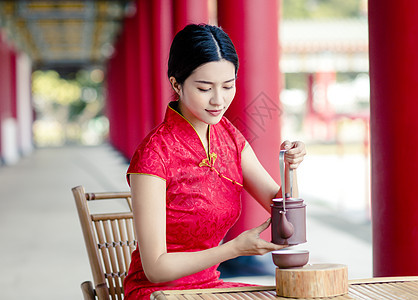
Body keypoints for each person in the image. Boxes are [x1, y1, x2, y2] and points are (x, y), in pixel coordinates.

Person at [124, 23, 306, 299]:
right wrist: (233, 249)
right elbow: (156, 269)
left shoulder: (230, 138)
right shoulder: (154, 154)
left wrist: (289, 167)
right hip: (158, 292)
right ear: (176, 84)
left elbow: (281, 206)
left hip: (209, 288)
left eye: (228, 86)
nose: (218, 100)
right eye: (205, 88)